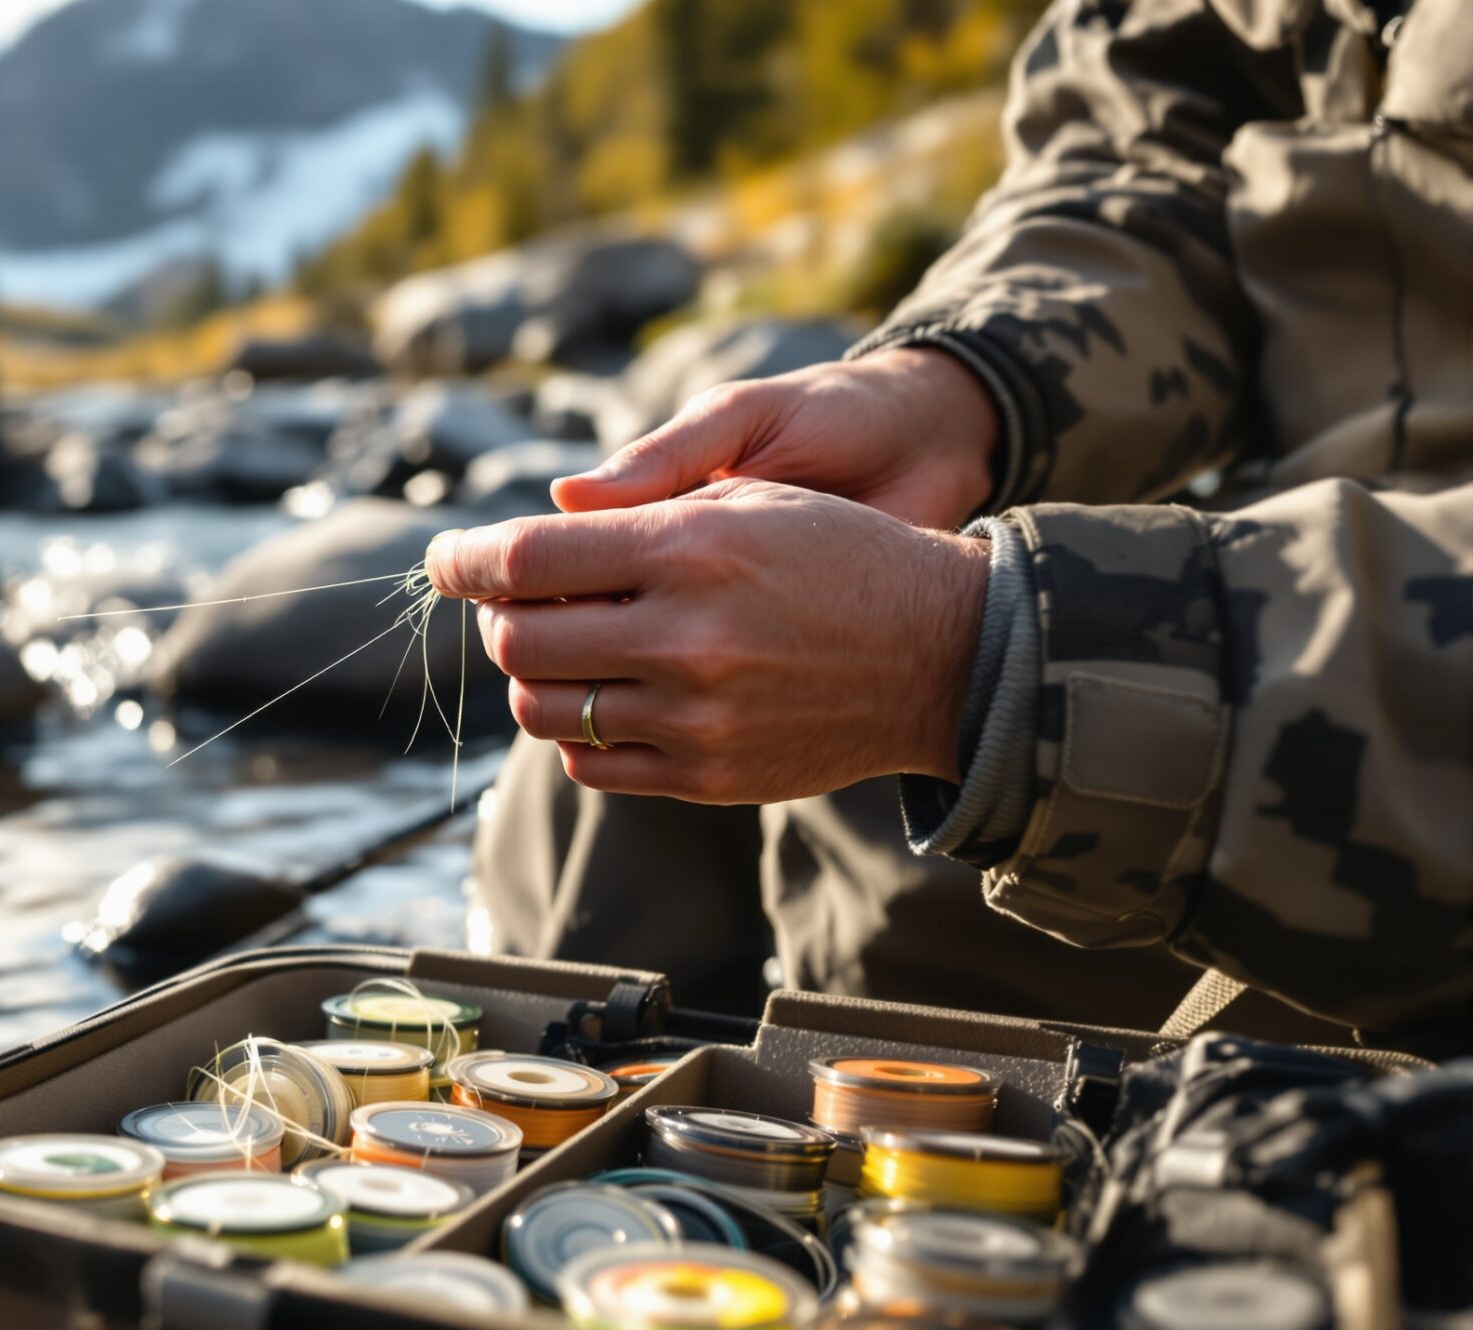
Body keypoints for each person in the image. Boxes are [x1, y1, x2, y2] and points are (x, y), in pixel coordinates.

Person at [439, 0, 1472, 1050]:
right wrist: (961, 386)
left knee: (841, 801)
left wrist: (979, 661)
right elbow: (1146, 138)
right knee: (610, 732)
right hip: (1285, 568)